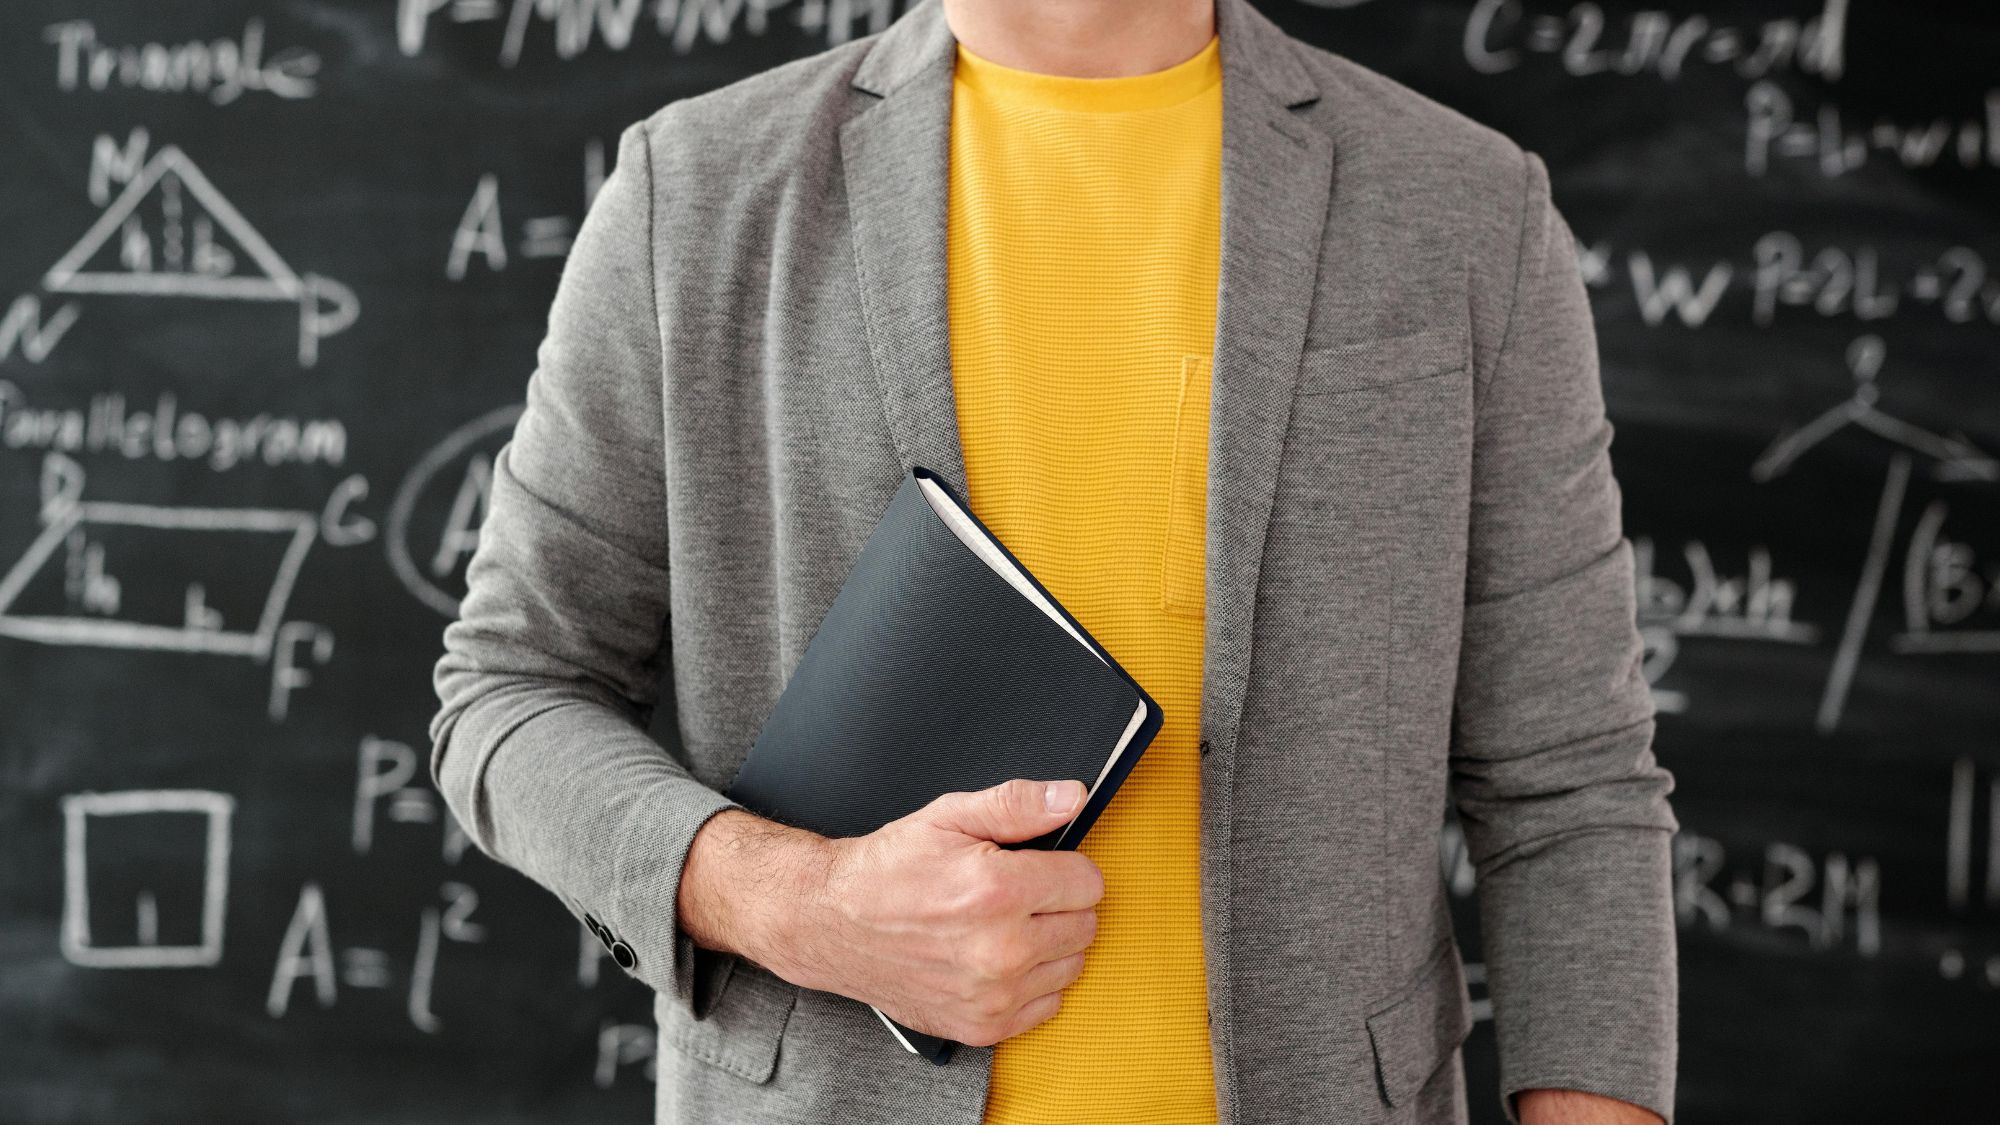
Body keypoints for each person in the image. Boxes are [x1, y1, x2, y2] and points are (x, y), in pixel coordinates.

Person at [428, 0, 1679, 1121]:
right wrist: (802, 903)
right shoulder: (693, 191)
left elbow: (1570, 786)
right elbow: (510, 691)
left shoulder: (1464, 208)